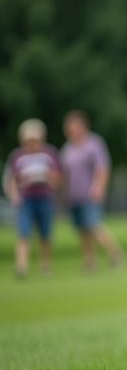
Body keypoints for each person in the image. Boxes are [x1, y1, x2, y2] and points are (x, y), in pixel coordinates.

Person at [61, 110, 124, 271]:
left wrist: (98, 187)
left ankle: (115, 253)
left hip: (89, 193)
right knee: (81, 229)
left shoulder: (94, 144)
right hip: (73, 195)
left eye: (74, 125)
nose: (71, 129)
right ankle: (89, 260)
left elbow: (102, 167)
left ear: (83, 125)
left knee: (93, 225)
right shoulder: (67, 148)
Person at [3, 118, 62, 278]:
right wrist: (14, 195)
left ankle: (45, 265)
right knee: (23, 232)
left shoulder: (49, 154)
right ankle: (21, 266)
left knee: (45, 233)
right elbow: (11, 179)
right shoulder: (17, 156)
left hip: (44, 198)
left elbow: (58, 178)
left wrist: (47, 176)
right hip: (25, 199)